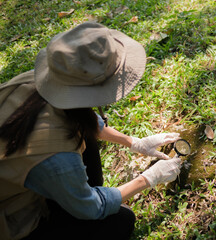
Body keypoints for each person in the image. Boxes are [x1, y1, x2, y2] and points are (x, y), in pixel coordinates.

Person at [0, 22, 182, 240]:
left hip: (28, 175)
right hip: (13, 217)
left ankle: (72, 196)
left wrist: (134, 142)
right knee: (120, 222)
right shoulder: (55, 156)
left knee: (86, 139)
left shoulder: (44, 81)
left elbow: (81, 119)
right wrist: (149, 178)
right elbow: (91, 207)